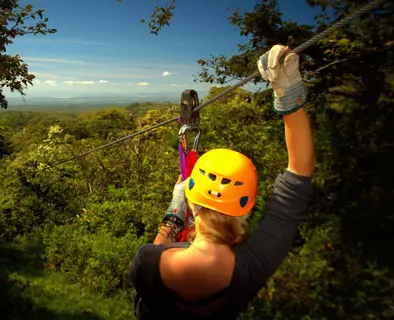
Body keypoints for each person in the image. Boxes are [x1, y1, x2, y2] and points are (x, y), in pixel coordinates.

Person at [129, 44, 315, 319]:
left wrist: (176, 205)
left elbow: (300, 175)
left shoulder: (147, 261)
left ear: (193, 198)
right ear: (246, 206)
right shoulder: (252, 266)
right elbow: (296, 183)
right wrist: (288, 96)